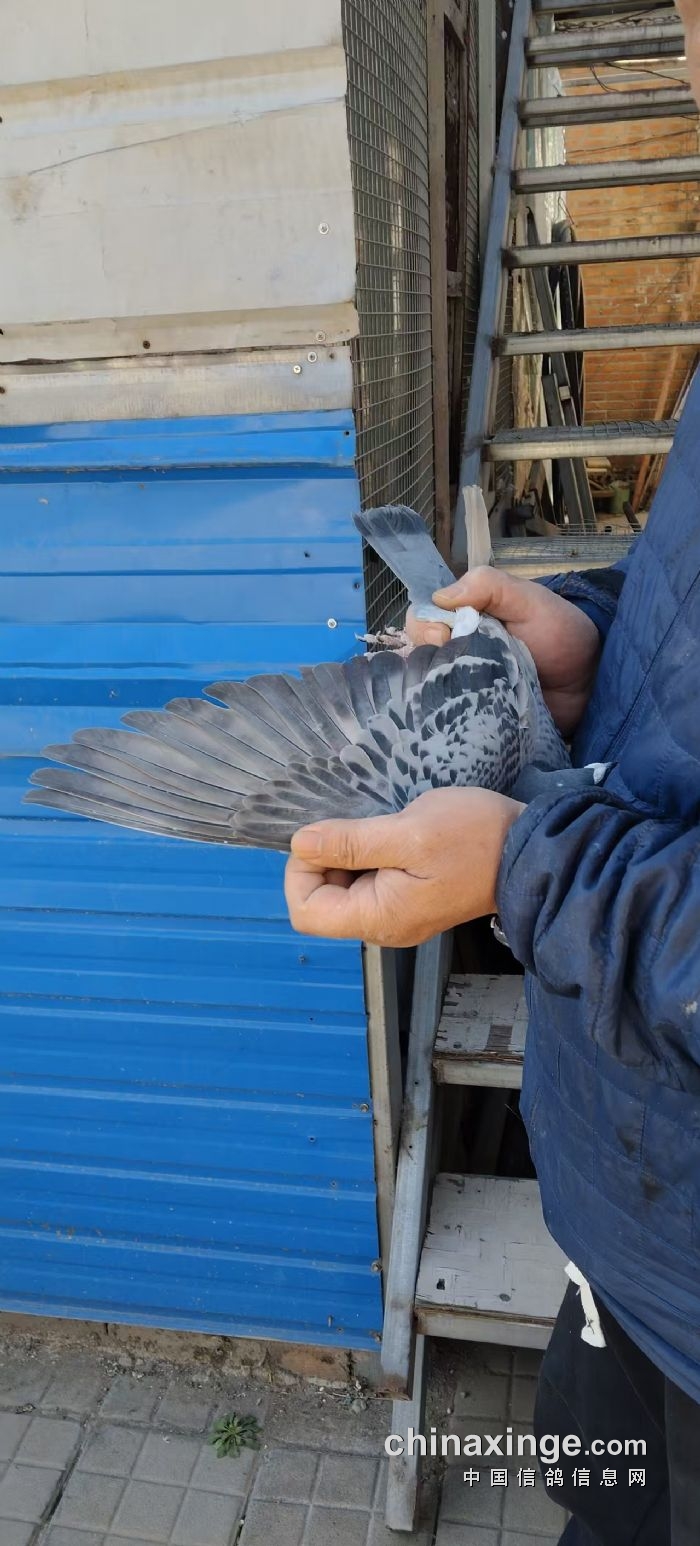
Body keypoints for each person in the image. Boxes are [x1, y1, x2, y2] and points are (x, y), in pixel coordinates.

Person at [285, 6, 700, 1539]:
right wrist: (596, 637)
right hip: (621, 1218)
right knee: (586, 1490)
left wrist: (525, 863)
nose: (686, 46)